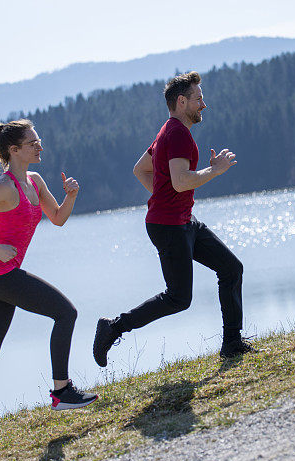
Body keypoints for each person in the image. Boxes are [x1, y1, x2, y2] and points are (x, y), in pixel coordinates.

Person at [0, 119, 97, 455]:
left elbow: (57, 217)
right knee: (66, 312)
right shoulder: (3, 188)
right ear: (14, 150)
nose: (40, 147)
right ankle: (61, 391)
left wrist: (71, 197)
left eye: (38, 141)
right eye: (33, 143)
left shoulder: (35, 182)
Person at [93, 71, 257, 366]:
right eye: (198, 98)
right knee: (178, 298)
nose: (203, 104)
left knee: (231, 268)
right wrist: (214, 171)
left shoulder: (167, 131)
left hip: (182, 221)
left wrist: (165, 195)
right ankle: (113, 327)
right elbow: (181, 182)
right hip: (169, 226)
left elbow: (141, 170)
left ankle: (232, 343)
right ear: (182, 102)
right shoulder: (177, 133)